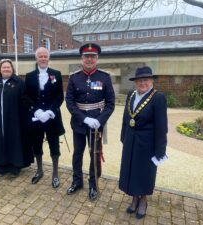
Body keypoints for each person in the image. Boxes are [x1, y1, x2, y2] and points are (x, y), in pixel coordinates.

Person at [65, 43, 115, 201]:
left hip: (96, 124)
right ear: (82, 58)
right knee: (77, 154)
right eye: (86, 56)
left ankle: (93, 184)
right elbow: (70, 102)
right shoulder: (74, 77)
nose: (89, 59)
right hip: (79, 123)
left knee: (95, 154)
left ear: (97, 59)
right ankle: (77, 181)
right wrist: (84, 118)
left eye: (92, 56)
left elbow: (110, 103)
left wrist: (99, 120)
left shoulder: (104, 77)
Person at [119, 66, 168, 219]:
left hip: (147, 144)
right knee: (131, 171)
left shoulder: (158, 97)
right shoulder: (131, 95)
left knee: (144, 173)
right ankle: (134, 198)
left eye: (146, 80)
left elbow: (162, 126)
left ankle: (143, 201)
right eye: (140, 80)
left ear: (152, 81)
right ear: (135, 82)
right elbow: (126, 119)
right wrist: (124, 137)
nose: (143, 83)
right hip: (131, 140)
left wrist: (160, 150)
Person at [0, 59, 33, 176]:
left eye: (8, 67)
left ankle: (15, 165)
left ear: (12, 69)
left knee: (14, 140)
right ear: (0, 70)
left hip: (14, 120)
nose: (6, 69)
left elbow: (26, 101)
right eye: (3, 67)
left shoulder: (19, 82)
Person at [24, 47, 65, 188]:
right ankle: (40, 170)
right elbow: (26, 97)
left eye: (45, 56)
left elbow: (60, 96)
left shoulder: (56, 74)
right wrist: (36, 111)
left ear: (48, 58)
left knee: (54, 144)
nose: (42, 58)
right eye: (40, 56)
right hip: (36, 118)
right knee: (37, 143)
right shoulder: (29, 76)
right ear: (36, 59)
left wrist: (50, 112)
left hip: (52, 117)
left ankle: (55, 174)